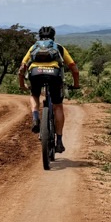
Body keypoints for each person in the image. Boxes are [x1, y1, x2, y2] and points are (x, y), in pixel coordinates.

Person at [17, 25, 80, 153]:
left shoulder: (33, 47)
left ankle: (35, 118)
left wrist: (22, 84)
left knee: (34, 95)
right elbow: (74, 68)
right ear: (53, 37)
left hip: (35, 73)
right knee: (58, 106)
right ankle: (60, 142)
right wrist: (76, 84)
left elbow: (22, 67)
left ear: (39, 37)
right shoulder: (59, 48)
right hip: (54, 75)